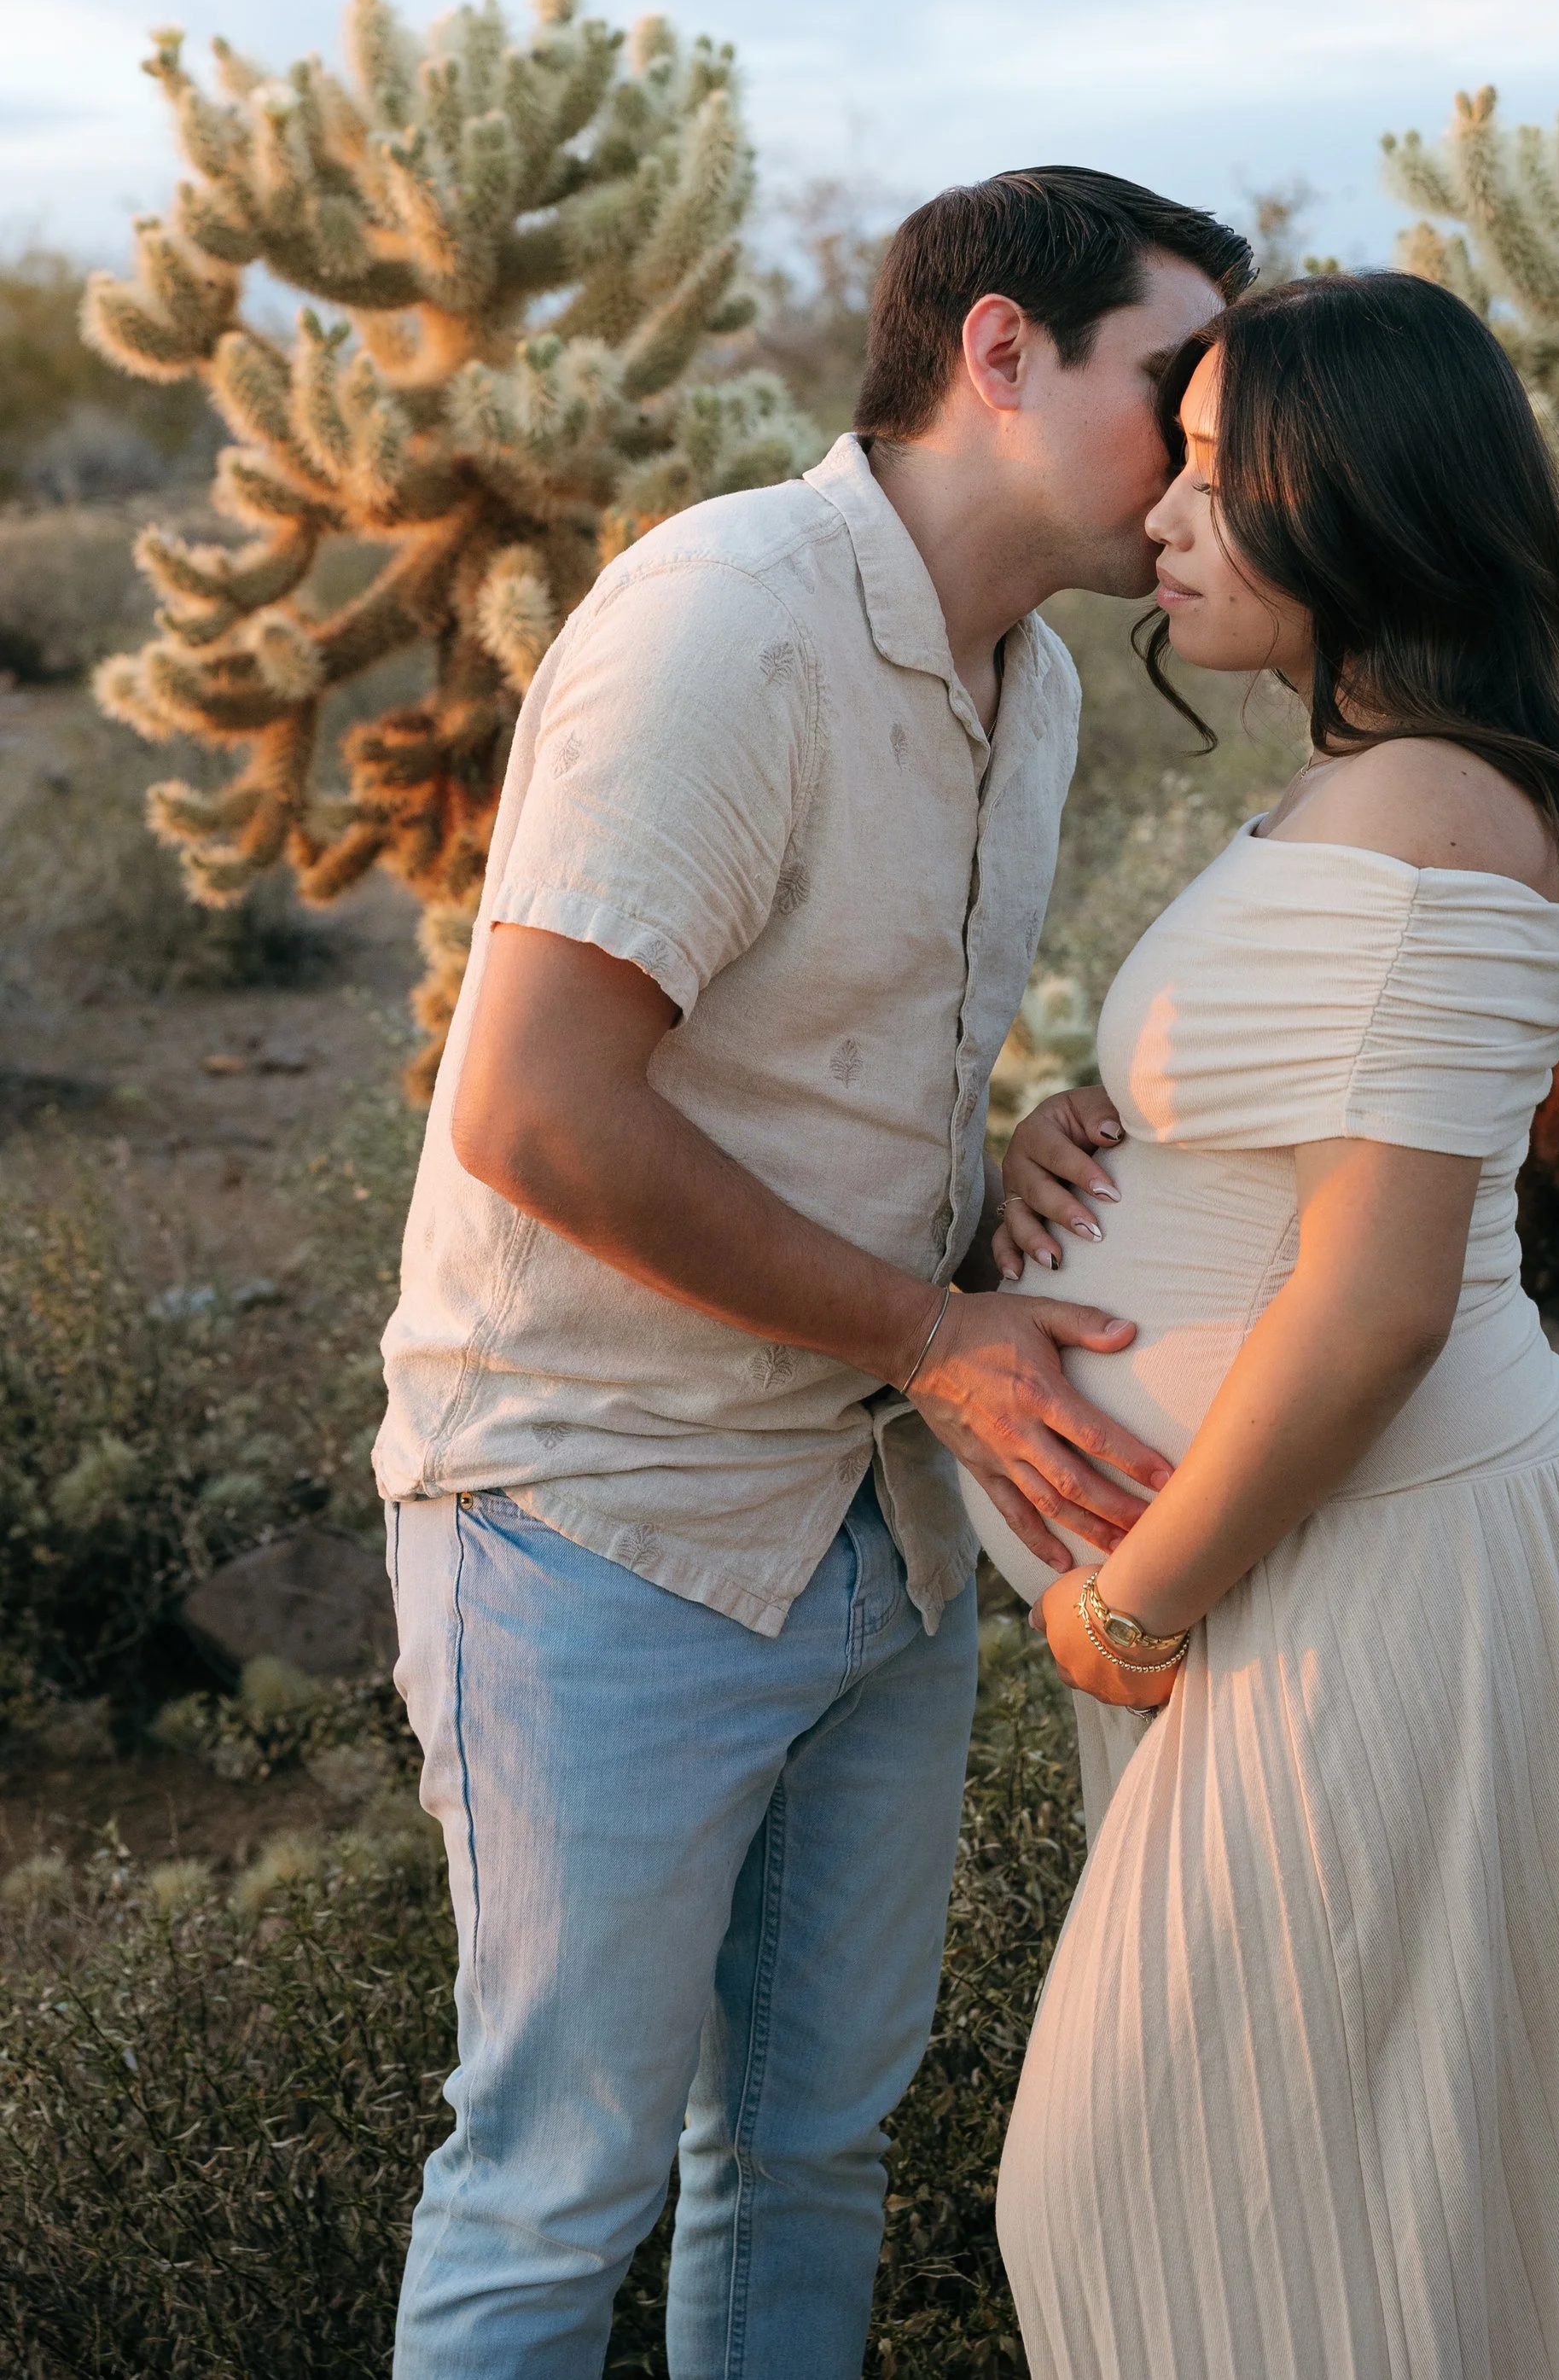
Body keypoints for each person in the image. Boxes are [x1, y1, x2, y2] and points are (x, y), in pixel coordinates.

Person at [373, 166, 1253, 2379]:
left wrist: (985, 1173)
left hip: (879, 1515)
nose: (1208, 450)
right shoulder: (727, 620)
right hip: (604, 1511)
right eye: (1173, 384)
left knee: (807, 2148)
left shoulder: (1030, 687)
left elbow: (802, 1062)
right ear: (998, 351)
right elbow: (534, 1110)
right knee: (551, 2185)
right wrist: (933, 1328)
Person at [963, 271, 1559, 2380]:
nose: (1163, 518)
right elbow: (1303, 1122)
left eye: (1218, 474)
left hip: (1354, 1575)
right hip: (1299, 1564)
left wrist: (1128, 1604)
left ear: (1366, 497)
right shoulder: (1379, 783)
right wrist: (1087, 1130)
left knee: (1150, 2185)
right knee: (1348, 2181)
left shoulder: (1433, 808)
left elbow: (1383, 1297)